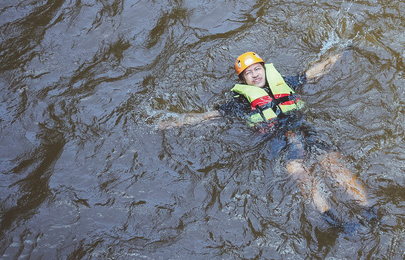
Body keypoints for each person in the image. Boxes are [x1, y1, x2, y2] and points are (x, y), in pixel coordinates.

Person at [158, 51, 377, 231]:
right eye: (248, 73)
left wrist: (334, 57)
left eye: (257, 69)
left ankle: (368, 209)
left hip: (303, 130)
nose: (254, 75)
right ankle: (333, 220)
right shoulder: (240, 103)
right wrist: (175, 122)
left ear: (264, 69)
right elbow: (209, 116)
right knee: (299, 173)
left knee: (333, 162)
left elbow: (310, 74)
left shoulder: (284, 83)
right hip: (278, 141)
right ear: (242, 80)